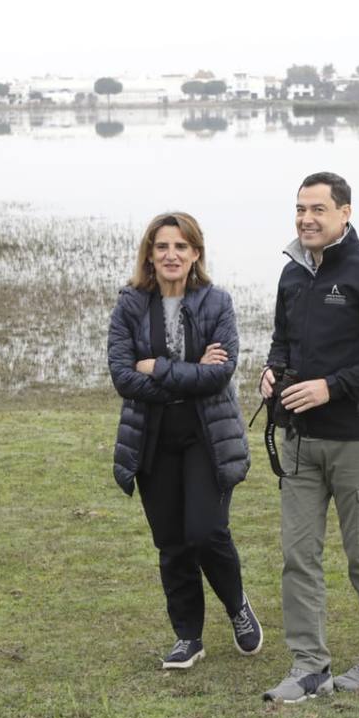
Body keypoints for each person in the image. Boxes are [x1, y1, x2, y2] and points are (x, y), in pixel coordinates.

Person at [260, 172, 359, 703]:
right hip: (298, 442)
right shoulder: (292, 274)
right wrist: (272, 369)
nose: (306, 218)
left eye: (318, 209)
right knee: (298, 555)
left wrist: (332, 387)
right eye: (300, 209)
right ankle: (308, 666)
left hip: (356, 441)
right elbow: (283, 339)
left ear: (345, 213)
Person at [107, 211, 262, 669]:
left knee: (205, 531)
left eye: (180, 246)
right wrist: (188, 372)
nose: (171, 254)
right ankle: (187, 636)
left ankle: (236, 607)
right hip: (152, 438)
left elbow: (220, 375)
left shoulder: (217, 303)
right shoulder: (131, 304)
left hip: (206, 436)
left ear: (195, 253)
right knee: (172, 542)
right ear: (149, 256)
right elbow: (122, 376)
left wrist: (154, 366)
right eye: (162, 247)